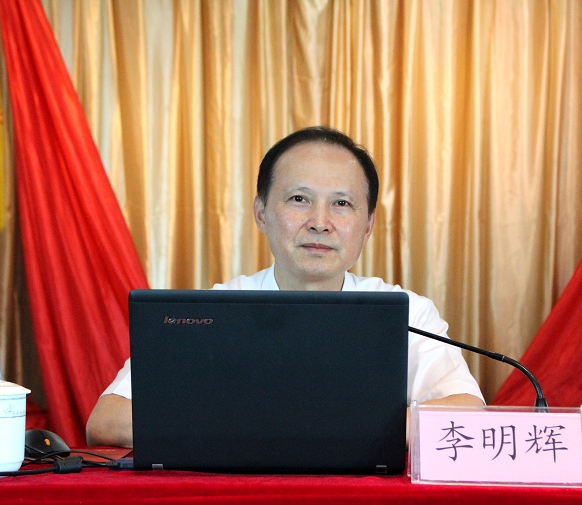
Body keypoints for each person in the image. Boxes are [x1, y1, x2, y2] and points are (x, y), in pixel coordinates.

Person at [86, 126, 484, 447]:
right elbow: (108, 419)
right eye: (298, 199)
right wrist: (306, 428)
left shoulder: (406, 313)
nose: (320, 222)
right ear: (261, 213)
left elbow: (468, 412)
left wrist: (290, 428)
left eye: (342, 204)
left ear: (368, 225)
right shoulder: (211, 312)